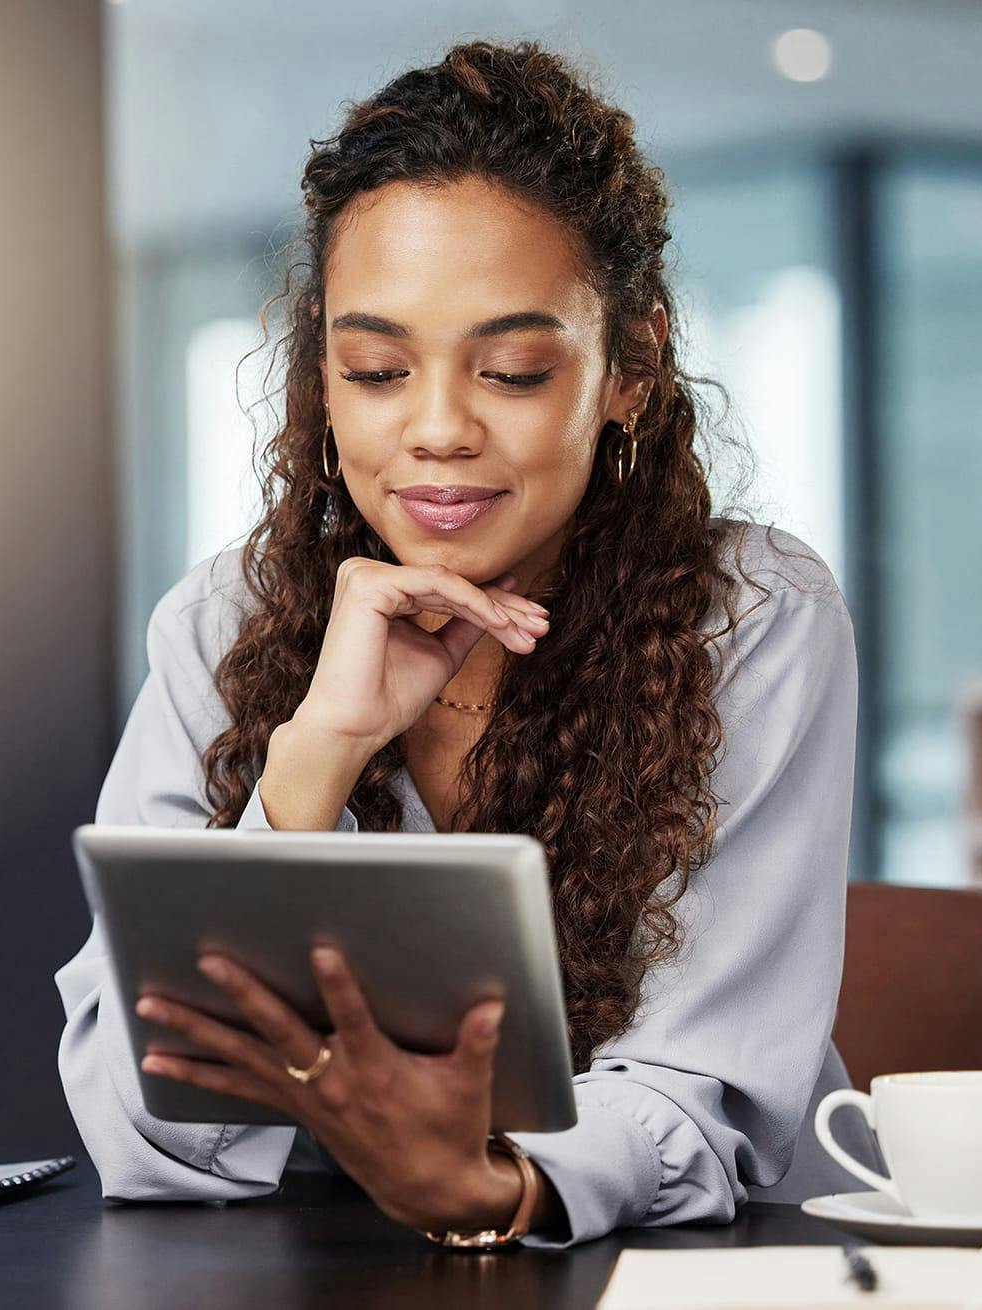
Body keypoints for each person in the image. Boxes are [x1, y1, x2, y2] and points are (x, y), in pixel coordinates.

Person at [56, 38, 879, 1249]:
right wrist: (311, 766)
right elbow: (147, 1133)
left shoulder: (752, 618)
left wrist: (493, 1187)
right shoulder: (222, 622)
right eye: (378, 369)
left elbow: (705, 1095)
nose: (438, 429)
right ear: (323, 383)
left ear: (630, 369)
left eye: (511, 369)